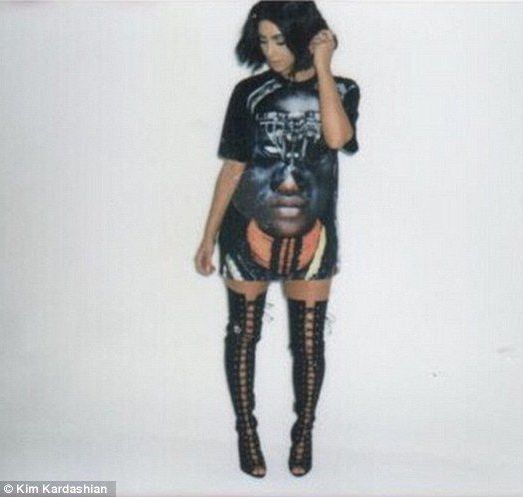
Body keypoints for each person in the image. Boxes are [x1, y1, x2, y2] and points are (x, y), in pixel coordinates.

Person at [194, 0, 360, 478]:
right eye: (263, 41)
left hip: (315, 234)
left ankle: (303, 432)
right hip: (245, 230)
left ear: (305, 36)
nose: (270, 51)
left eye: (279, 40)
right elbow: (233, 167)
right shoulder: (249, 93)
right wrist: (208, 236)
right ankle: (246, 432)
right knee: (244, 333)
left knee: (309, 342)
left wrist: (323, 68)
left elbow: (337, 139)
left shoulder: (343, 89)